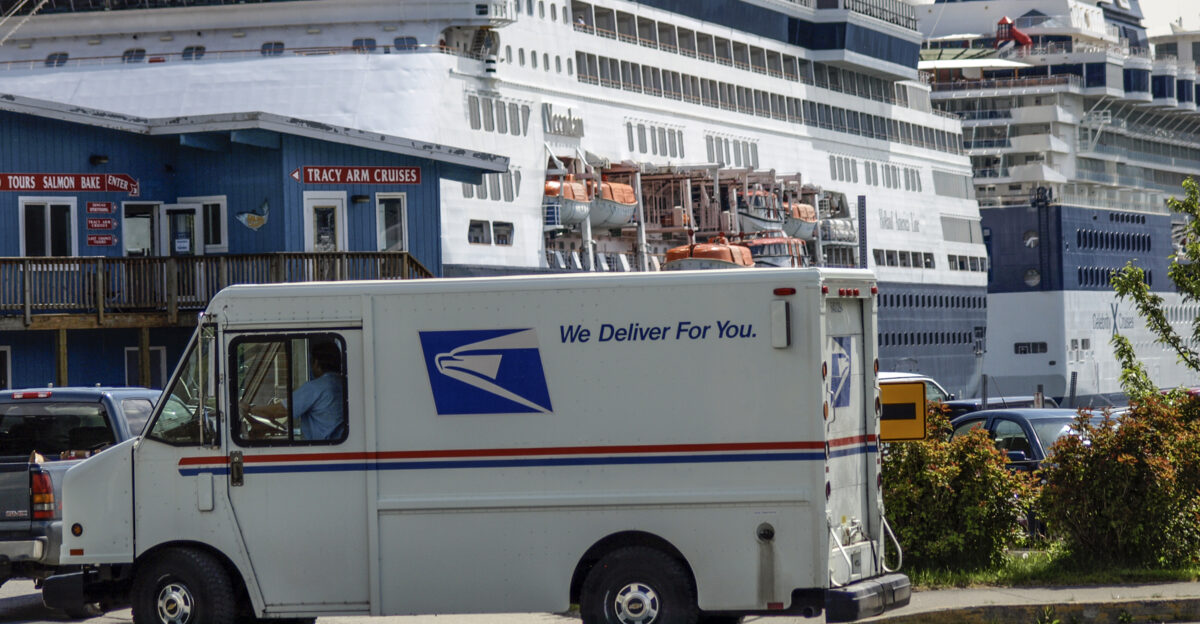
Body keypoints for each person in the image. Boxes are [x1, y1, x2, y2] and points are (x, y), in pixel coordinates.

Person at [240, 342, 344, 440]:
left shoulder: (316, 387)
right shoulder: (342, 383)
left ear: (316, 363)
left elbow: (281, 410)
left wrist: (248, 409)